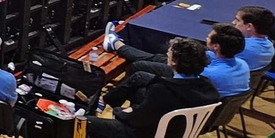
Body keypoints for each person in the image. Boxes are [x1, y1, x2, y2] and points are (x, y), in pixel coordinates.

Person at [88, 38, 218, 138]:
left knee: (87, 122)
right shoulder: (208, 87)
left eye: (168, 54)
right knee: (139, 89)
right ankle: (105, 102)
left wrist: (120, 111)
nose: (166, 55)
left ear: (173, 62)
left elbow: (137, 121)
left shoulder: (163, 90)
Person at [106, 21, 248, 98]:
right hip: (207, 107)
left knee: (140, 77)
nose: (206, 38)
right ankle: (118, 45)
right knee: (158, 59)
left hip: (190, 106)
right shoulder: (242, 64)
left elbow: (182, 77)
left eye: (209, 37)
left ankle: (117, 44)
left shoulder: (208, 75)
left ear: (216, 46)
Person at [233, 5, 275, 75]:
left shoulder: (239, 47)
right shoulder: (270, 45)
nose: (233, 22)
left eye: (238, 20)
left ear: (249, 26)